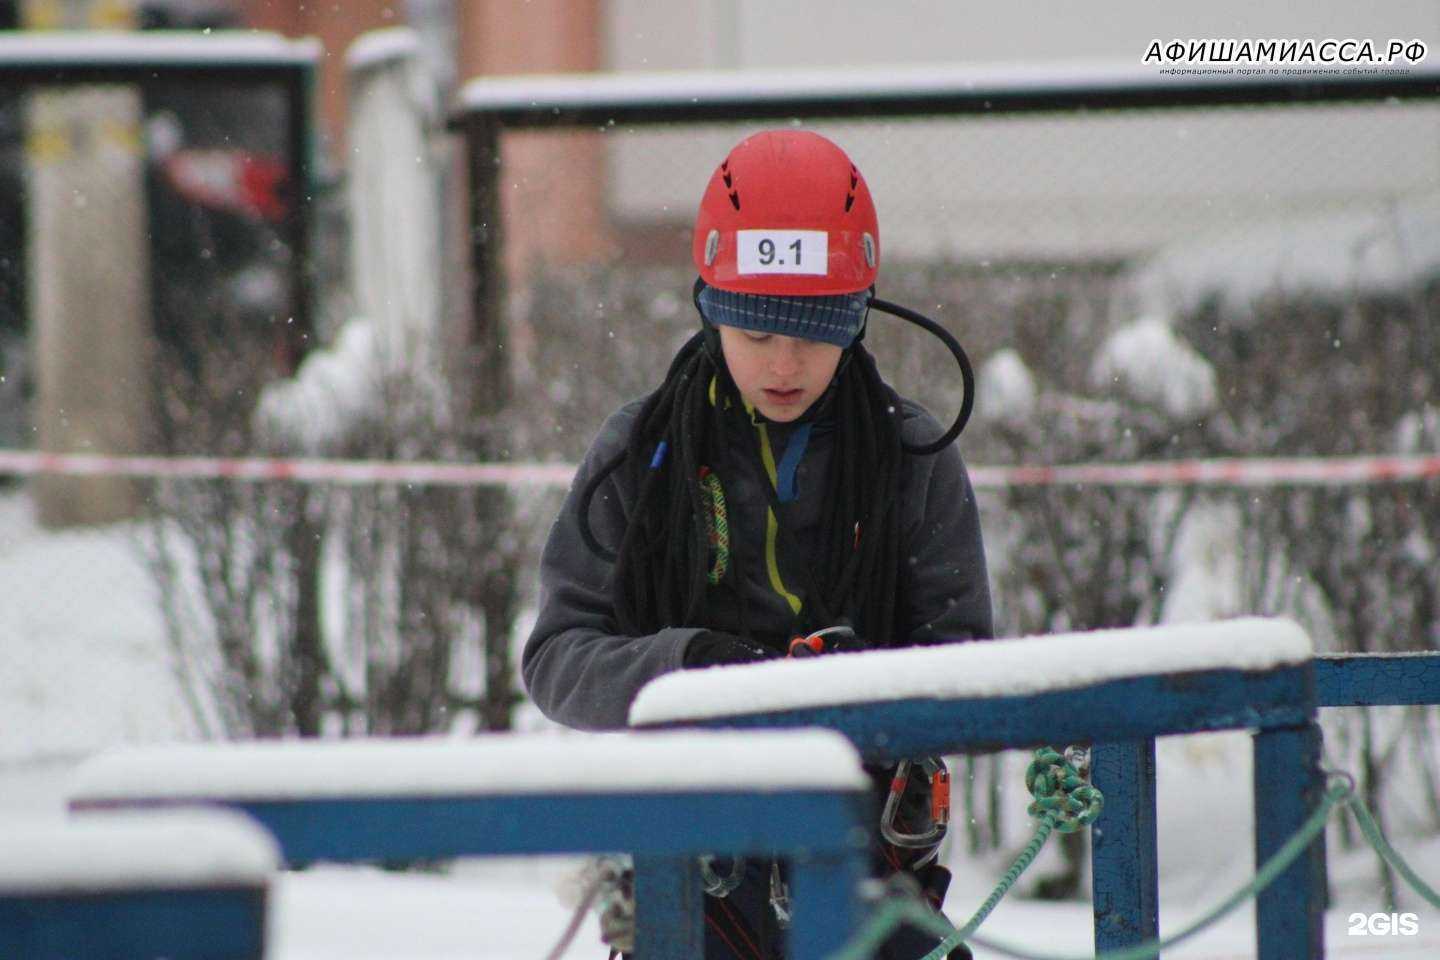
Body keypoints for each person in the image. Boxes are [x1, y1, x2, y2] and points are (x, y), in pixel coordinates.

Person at [523, 129, 993, 960]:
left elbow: (966, 666)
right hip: (686, 858)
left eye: (815, 331)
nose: (785, 362)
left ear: (858, 316)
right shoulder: (641, 452)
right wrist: (690, 667)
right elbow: (558, 659)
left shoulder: (911, 457)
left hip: (863, 864)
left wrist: (860, 690)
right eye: (757, 330)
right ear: (711, 309)